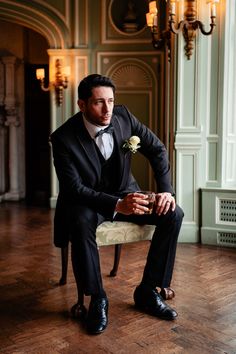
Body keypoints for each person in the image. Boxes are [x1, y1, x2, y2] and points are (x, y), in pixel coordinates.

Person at [50, 74, 184, 335]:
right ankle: (97, 298)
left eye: (111, 101)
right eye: (99, 102)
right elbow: (73, 189)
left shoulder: (123, 116)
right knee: (79, 222)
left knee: (173, 214)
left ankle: (148, 290)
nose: (107, 108)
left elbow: (157, 149)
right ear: (82, 104)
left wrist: (166, 192)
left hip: (126, 193)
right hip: (87, 201)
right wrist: (117, 204)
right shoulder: (63, 138)